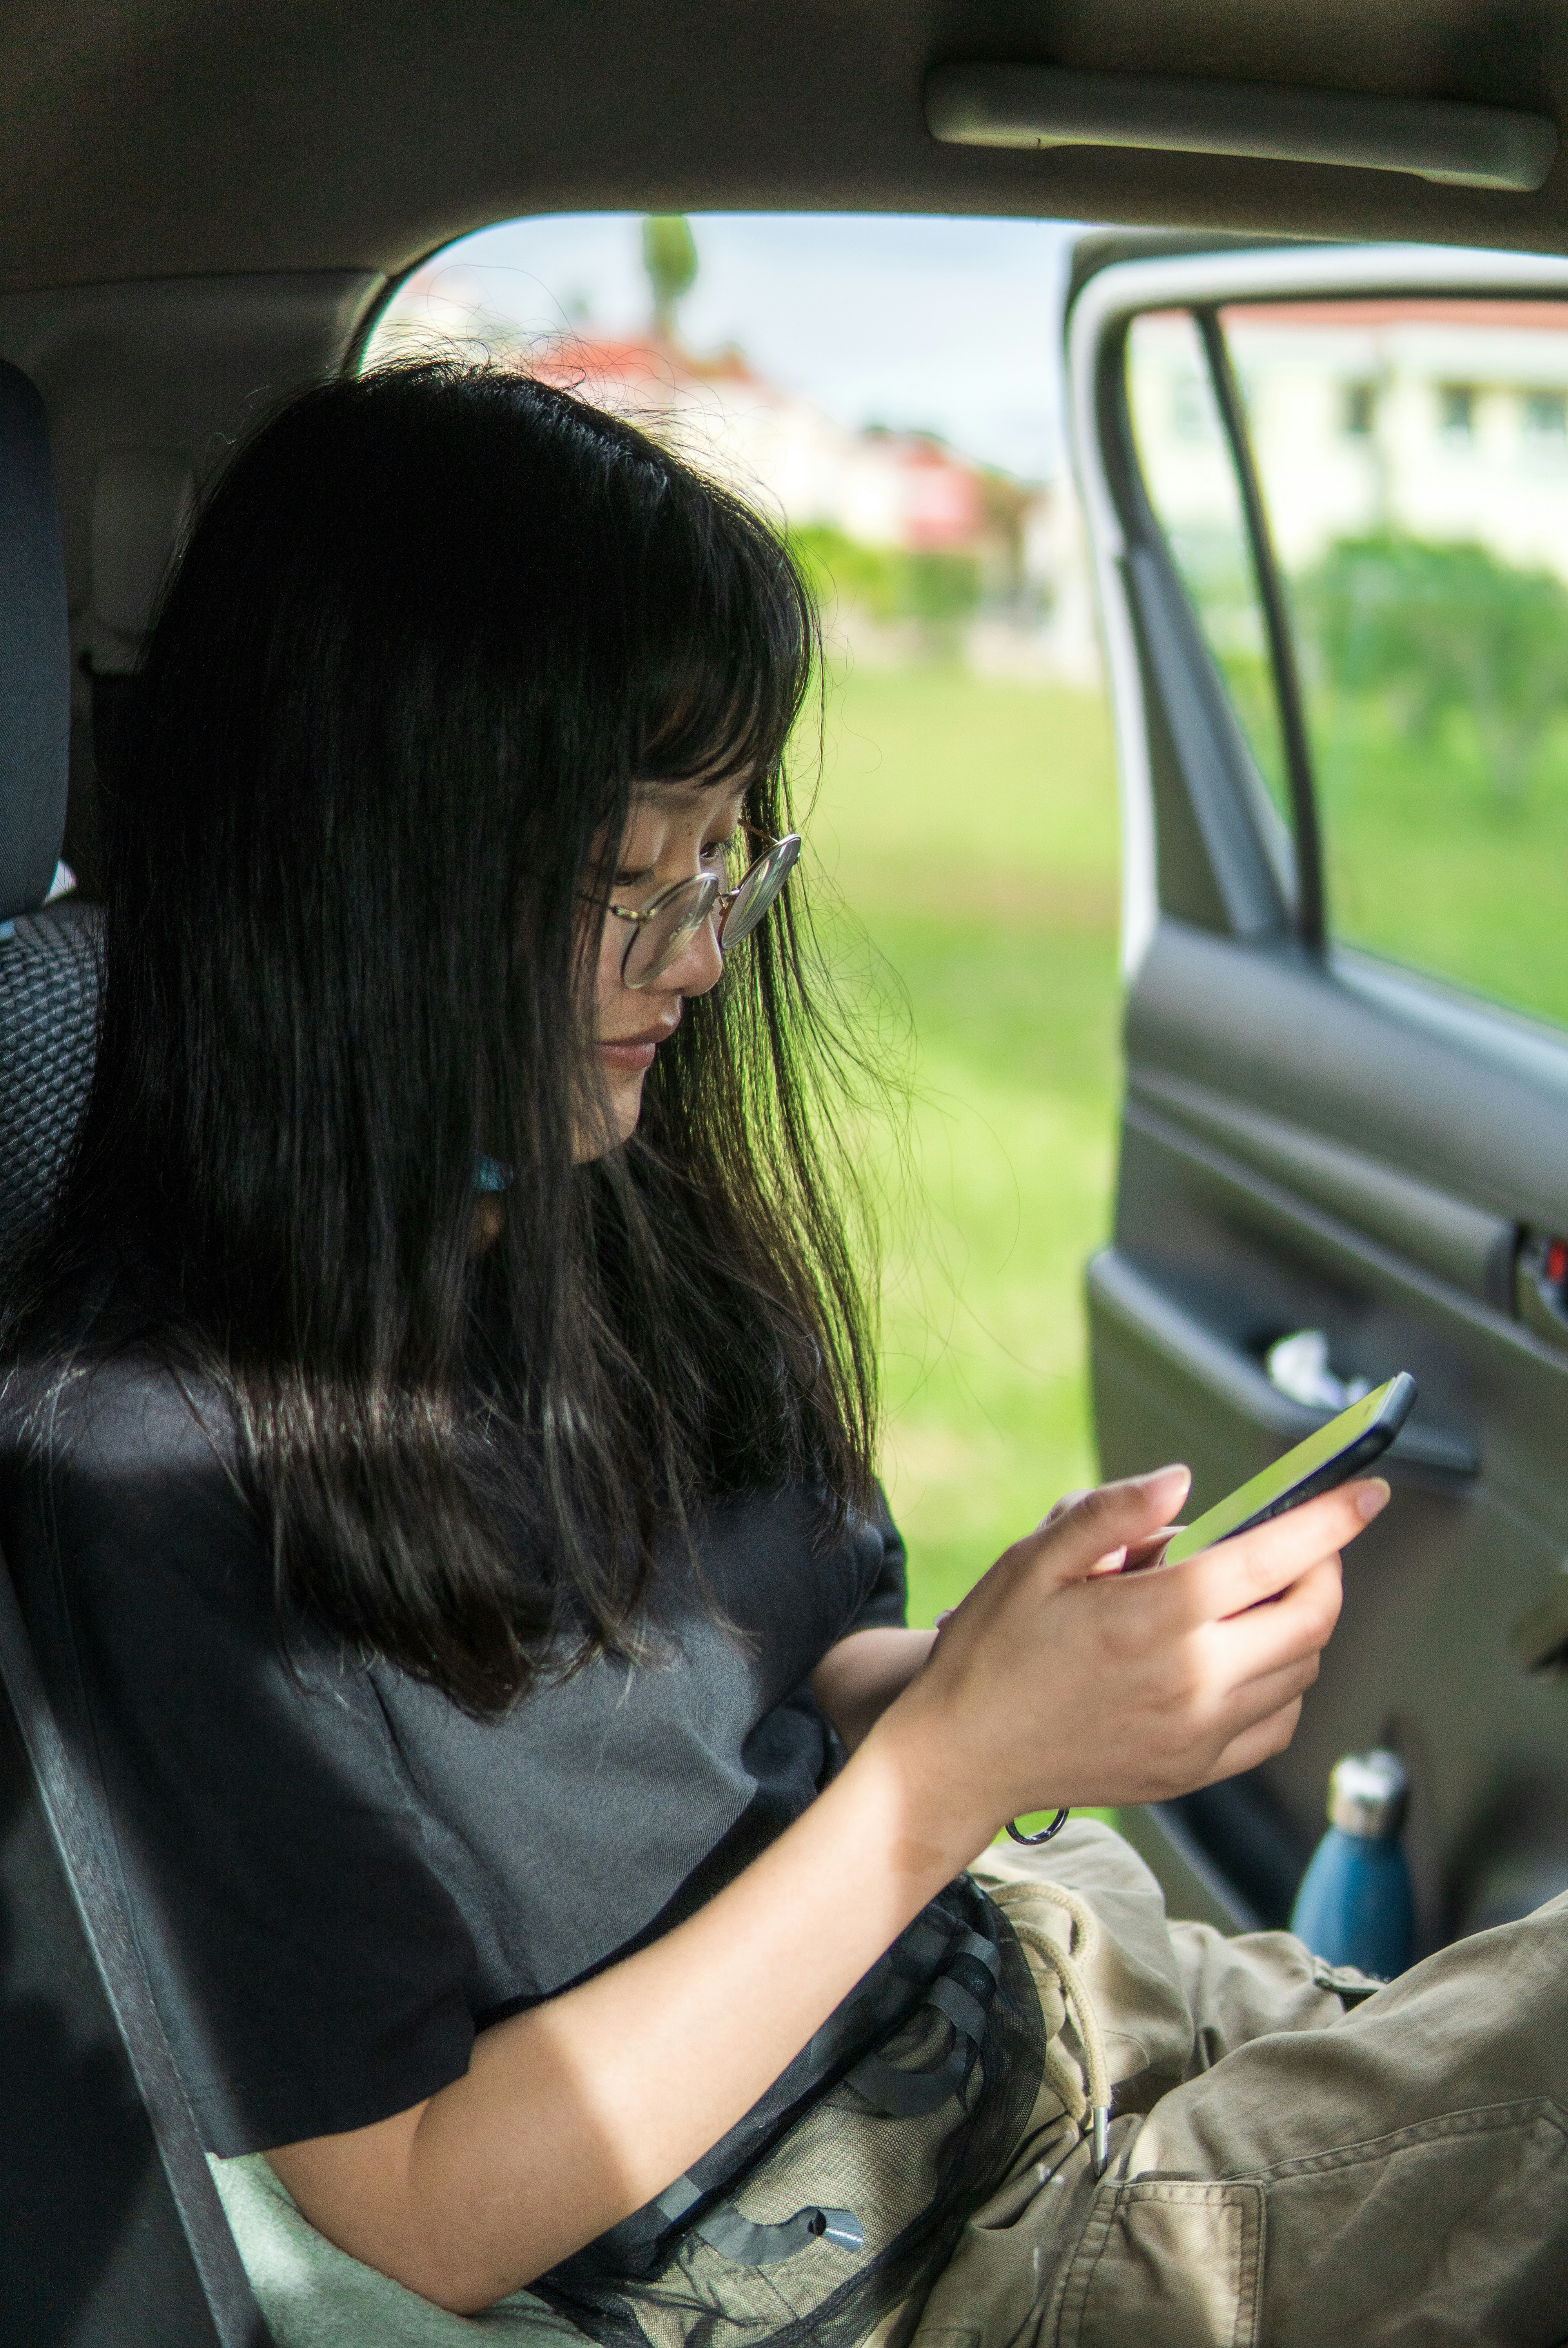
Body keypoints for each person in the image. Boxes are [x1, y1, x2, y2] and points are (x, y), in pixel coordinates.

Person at [1, 364, 1561, 2348]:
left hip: (1040, 1988)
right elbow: (416, 2202)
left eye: (730, 862)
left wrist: (1026, 1670)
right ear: (363, 880)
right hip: (920, 2258)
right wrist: (952, 1770)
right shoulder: (144, 1469)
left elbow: (799, 1666)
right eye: (624, 889)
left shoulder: (594, 1215)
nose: (706, 955)